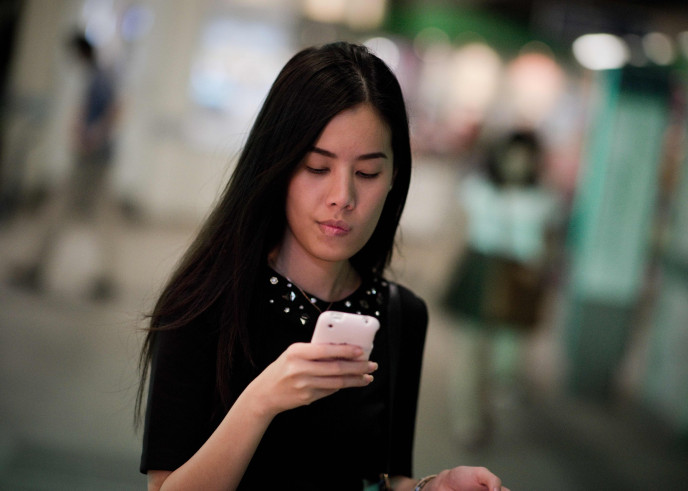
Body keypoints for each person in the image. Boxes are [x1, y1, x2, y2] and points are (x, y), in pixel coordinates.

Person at [136, 42, 509, 491]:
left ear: (394, 179)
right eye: (317, 166)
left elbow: (384, 480)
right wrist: (261, 402)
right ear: (277, 167)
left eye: (367, 173)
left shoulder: (399, 316)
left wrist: (433, 487)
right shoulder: (206, 304)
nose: (343, 197)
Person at [443, 129, 560, 448]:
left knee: (507, 359)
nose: (519, 163)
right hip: (479, 270)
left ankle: (491, 401)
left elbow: (550, 244)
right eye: (513, 154)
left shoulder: (544, 199)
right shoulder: (478, 190)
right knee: (470, 352)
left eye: (526, 156)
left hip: (520, 279)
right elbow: (457, 230)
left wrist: (544, 273)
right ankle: (469, 423)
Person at [9, 32, 120, 300]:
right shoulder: (97, 76)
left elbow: (116, 109)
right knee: (94, 215)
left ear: (82, 52)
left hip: (91, 160)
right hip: (95, 159)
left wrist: (92, 135)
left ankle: (36, 268)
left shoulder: (99, 77)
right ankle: (104, 277)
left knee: (58, 209)